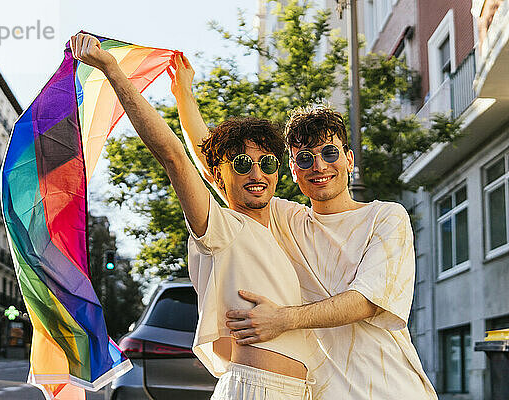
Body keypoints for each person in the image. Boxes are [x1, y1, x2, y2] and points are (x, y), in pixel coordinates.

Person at [70, 33, 319, 400]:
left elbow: (206, 149)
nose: (256, 174)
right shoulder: (222, 228)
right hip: (258, 390)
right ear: (219, 175)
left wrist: (184, 93)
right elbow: (174, 155)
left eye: (266, 163)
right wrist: (112, 70)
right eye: (242, 164)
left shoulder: (284, 222)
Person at [171, 57, 437, 399]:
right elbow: (219, 169)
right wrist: (184, 94)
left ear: (349, 159)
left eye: (329, 152)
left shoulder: (386, 217)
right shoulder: (284, 219)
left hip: (390, 390)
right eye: (305, 158)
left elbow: (366, 302)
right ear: (292, 171)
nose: (319, 165)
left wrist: (284, 319)